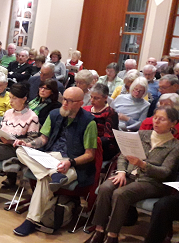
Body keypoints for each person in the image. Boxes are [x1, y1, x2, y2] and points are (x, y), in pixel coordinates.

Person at [86, 107, 179, 243]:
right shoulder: (142, 134)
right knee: (105, 188)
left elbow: (165, 172)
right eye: (155, 118)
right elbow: (124, 155)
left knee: (121, 193)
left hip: (152, 182)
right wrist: (122, 172)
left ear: (173, 123)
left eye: (162, 119)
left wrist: (143, 165)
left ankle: (112, 236)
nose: (156, 122)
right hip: (129, 175)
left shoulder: (175, 146)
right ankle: (99, 231)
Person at [13, 87, 97, 236]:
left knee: (44, 179)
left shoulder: (89, 122)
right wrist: (28, 144)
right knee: (20, 150)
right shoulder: (54, 114)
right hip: (51, 158)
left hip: (72, 164)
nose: (64, 103)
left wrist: (70, 162)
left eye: (69, 101)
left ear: (80, 103)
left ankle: (31, 221)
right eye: (64, 99)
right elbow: (43, 139)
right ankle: (54, 174)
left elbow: (90, 155)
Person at [83, 83, 119, 161]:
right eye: (91, 97)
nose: (92, 100)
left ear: (105, 98)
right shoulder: (85, 109)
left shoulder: (110, 113)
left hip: (101, 148)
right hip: (84, 144)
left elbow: (109, 138)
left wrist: (89, 142)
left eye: (96, 98)